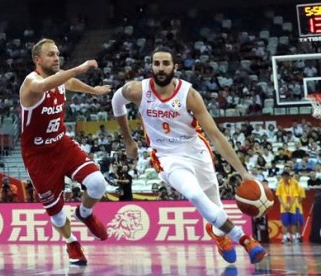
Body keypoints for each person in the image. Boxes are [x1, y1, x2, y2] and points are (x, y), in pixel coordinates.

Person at [111, 47, 266, 264]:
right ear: (151, 66)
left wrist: (243, 173)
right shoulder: (137, 90)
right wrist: (128, 140)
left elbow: (216, 135)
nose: (161, 68)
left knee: (214, 205)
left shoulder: (190, 95)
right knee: (194, 195)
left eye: (166, 63)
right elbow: (116, 102)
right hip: (166, 156)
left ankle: (219, 236)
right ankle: (244, 239)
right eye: (156, 63)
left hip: (196, 150)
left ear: (175, 67)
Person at [19, 38, 111, 266]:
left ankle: (85, 213)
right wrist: (80, 68)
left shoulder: (60, 80)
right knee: (57, 212)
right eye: (50, 54)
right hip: (38, 155)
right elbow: (44, 86)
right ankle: (71, 242)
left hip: (61, 144)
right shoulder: (31, 82)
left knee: (98, 183)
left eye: (57, 53)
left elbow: (69, 83)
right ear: (37, 59)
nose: (56, 57)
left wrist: (92, 91)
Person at [276, 171, 304, 243]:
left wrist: (290, 205)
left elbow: (295, 196)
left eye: (286, 176)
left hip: (293, 207)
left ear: (289, 177)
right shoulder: (280, 185)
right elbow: (278, 196)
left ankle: (294, 237)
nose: (285, 178)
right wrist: (284, 205)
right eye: (283, 176)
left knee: (294, 223)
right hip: (284, 208)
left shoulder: (293, 185)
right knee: (285, 223)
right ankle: (285, 237)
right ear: (282, 177)